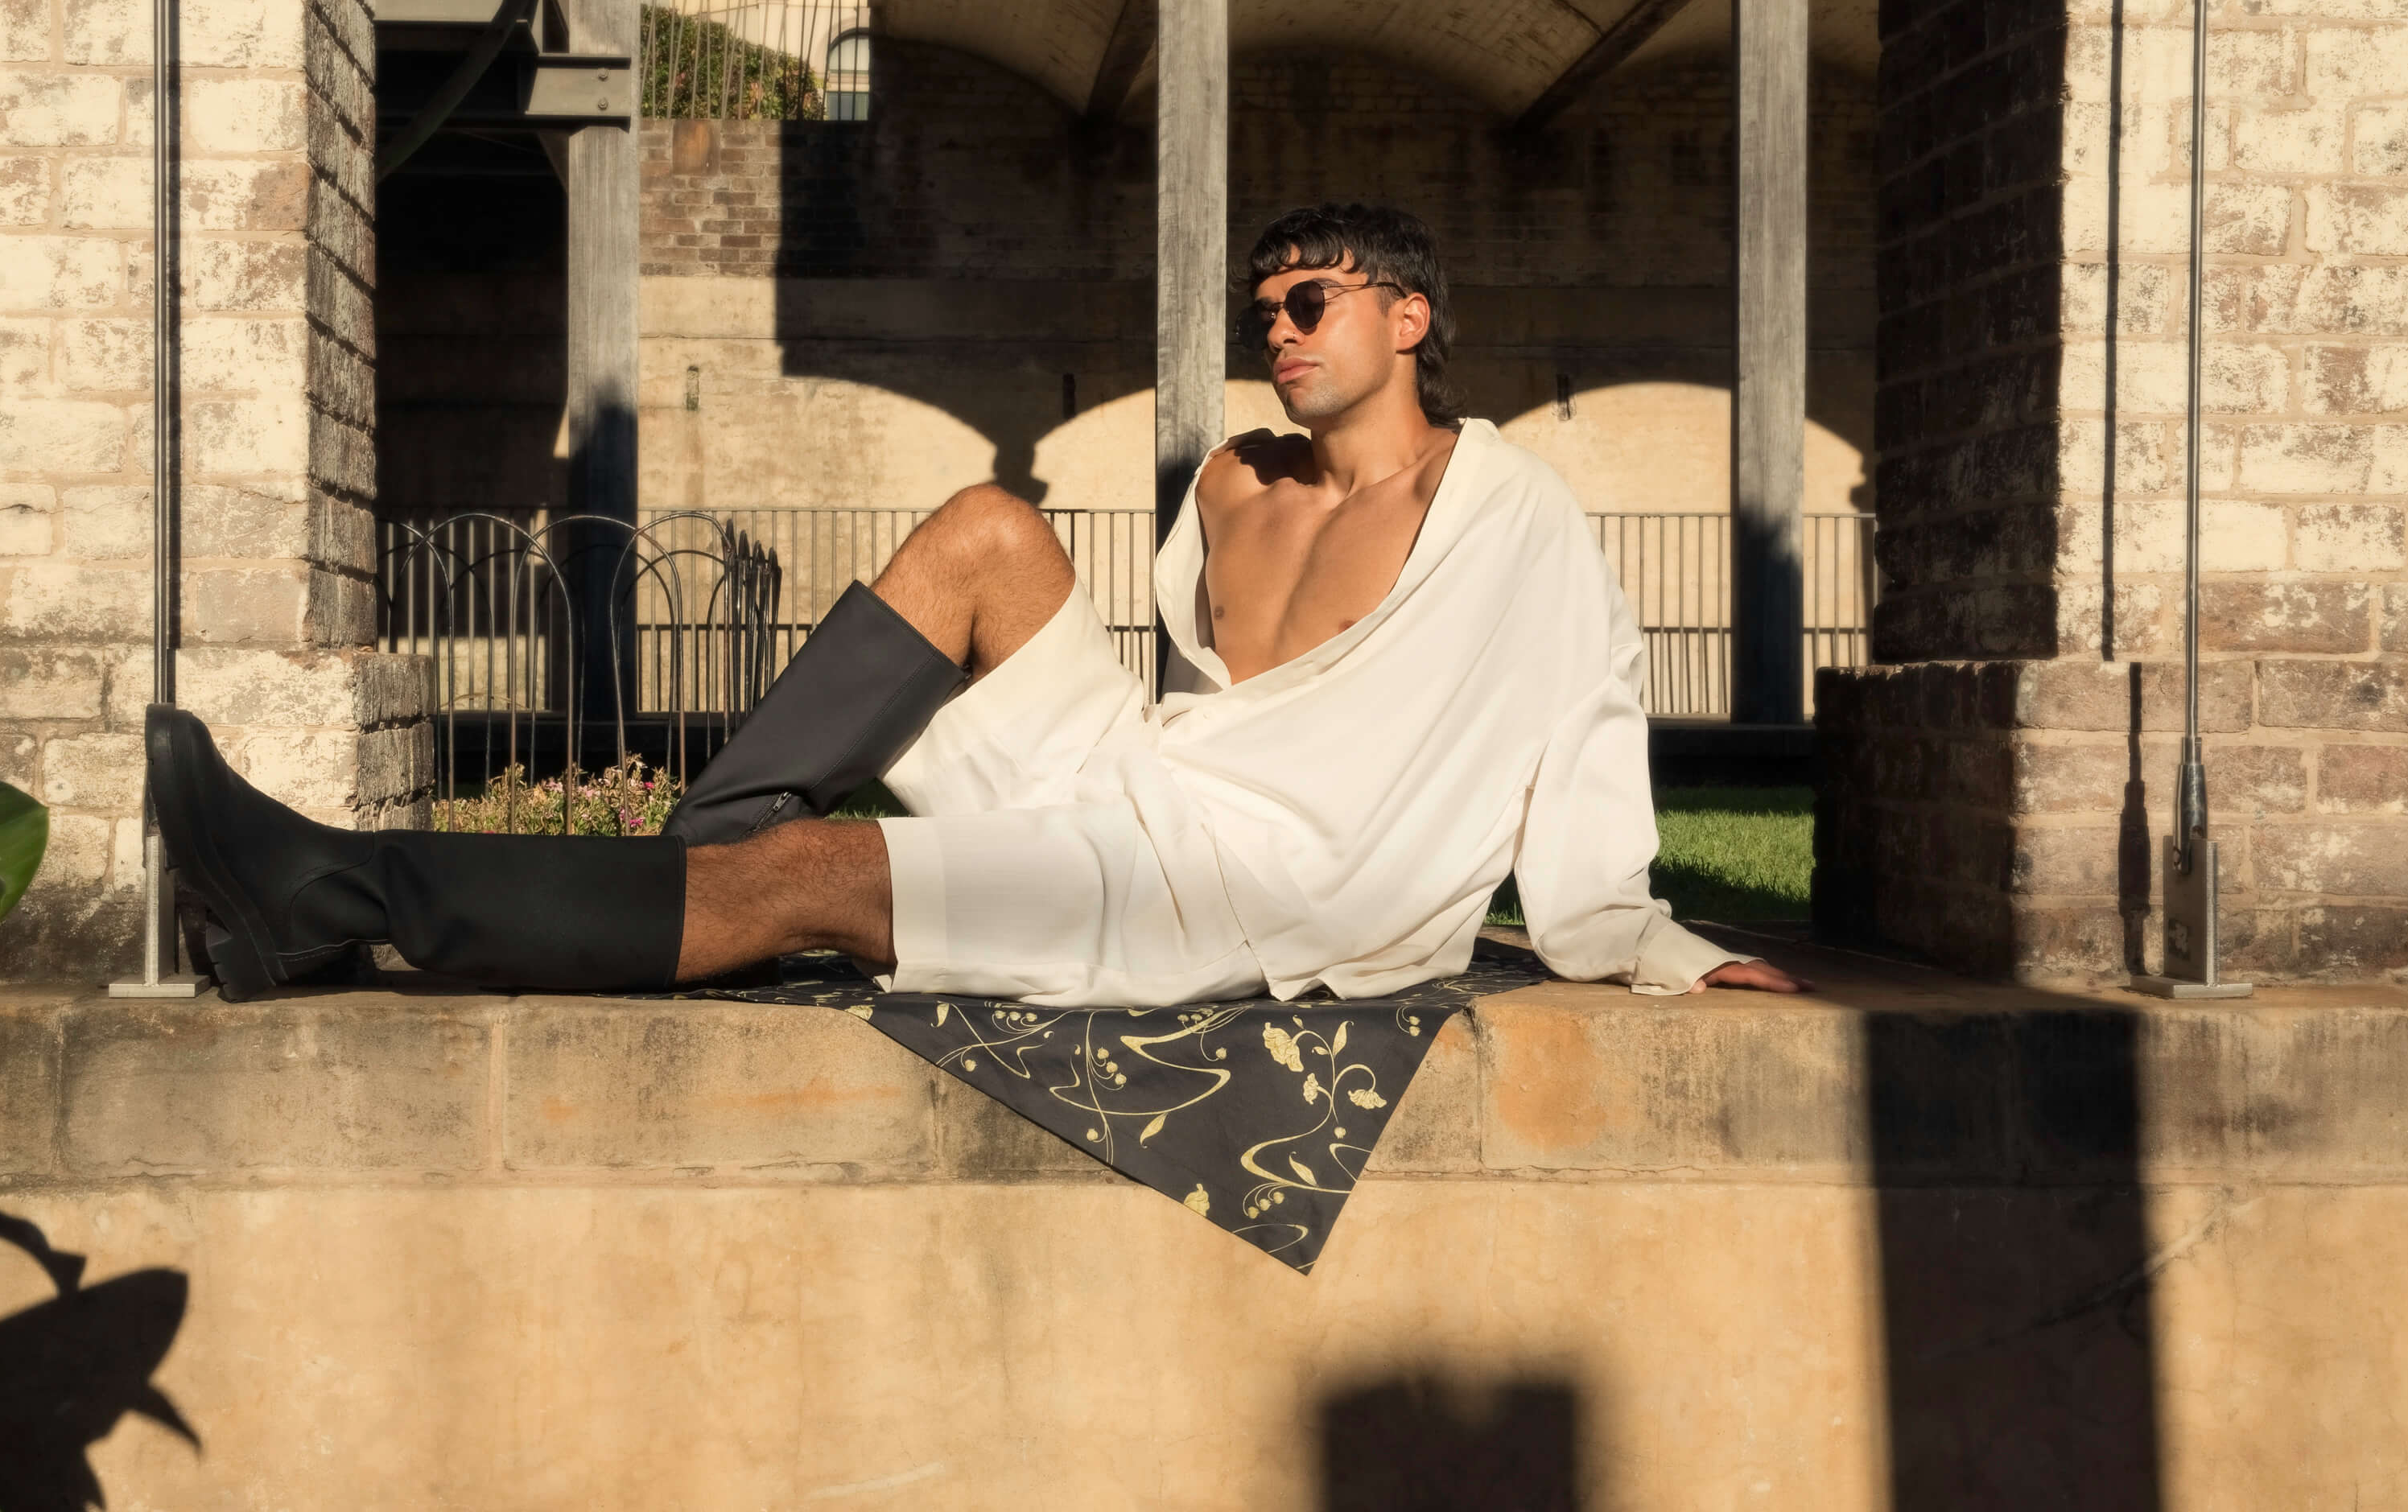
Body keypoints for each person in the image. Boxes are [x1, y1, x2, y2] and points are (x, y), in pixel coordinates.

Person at [146, 203, 1804, 1003]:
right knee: (994, 527)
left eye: (1313, 301)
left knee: (814, 874)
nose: (1281, 330)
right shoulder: (1235, 483)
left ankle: (338, 888)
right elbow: (1199, 708)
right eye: (1266, 310)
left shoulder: (1505, 517)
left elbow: (1585, 735)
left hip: (1262, 891)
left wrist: (1648, 943)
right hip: (1151, 789)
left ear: (1414, 314)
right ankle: (684, 878)